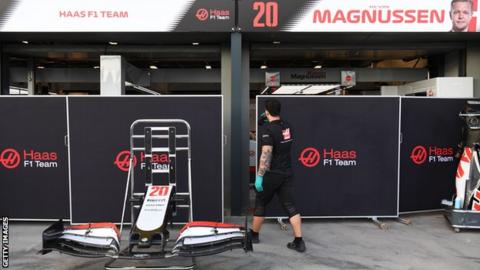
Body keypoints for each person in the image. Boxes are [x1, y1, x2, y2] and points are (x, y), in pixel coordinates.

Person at [250, 98, 306, 252]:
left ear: (267, 111)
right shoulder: (287, 126)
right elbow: (279, 136)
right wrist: (265, 121)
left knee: (261, 203)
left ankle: (254, 235)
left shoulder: (267, 130)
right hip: (286, 172)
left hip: (271, 174)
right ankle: (299, 241)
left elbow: (266, 153)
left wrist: (260, 176)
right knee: (290, 206)